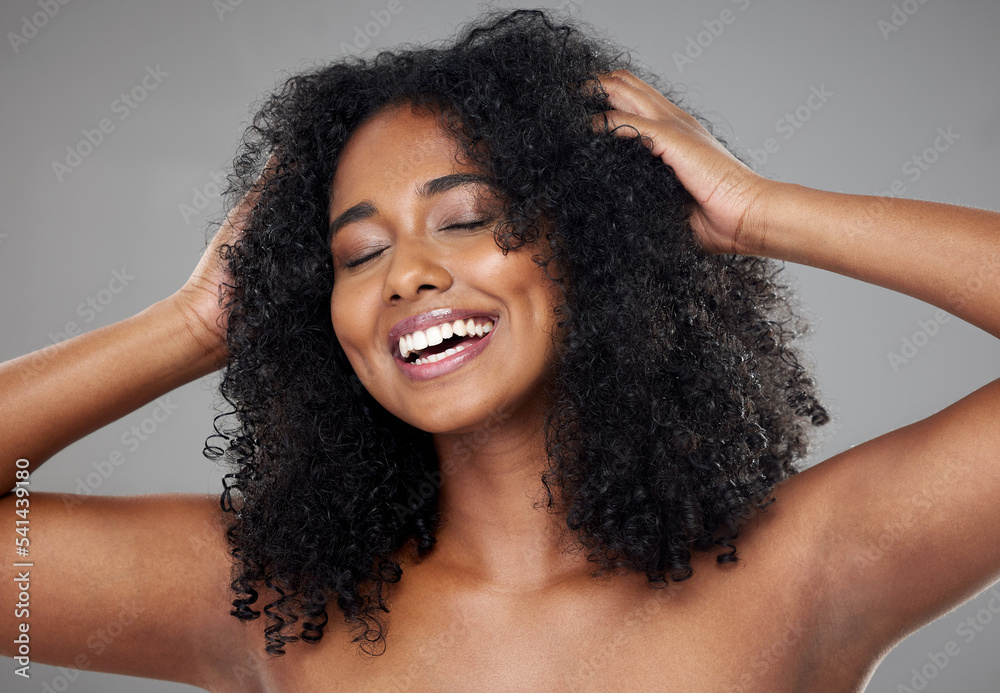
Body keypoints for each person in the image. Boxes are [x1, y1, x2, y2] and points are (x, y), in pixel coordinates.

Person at [2, 7, 997, 691]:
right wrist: (194, 325)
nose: (406, 275)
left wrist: (758, 212)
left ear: (589, 247)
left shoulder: (814, 566)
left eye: (466, 219)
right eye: (358, 252)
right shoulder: (266, 604)